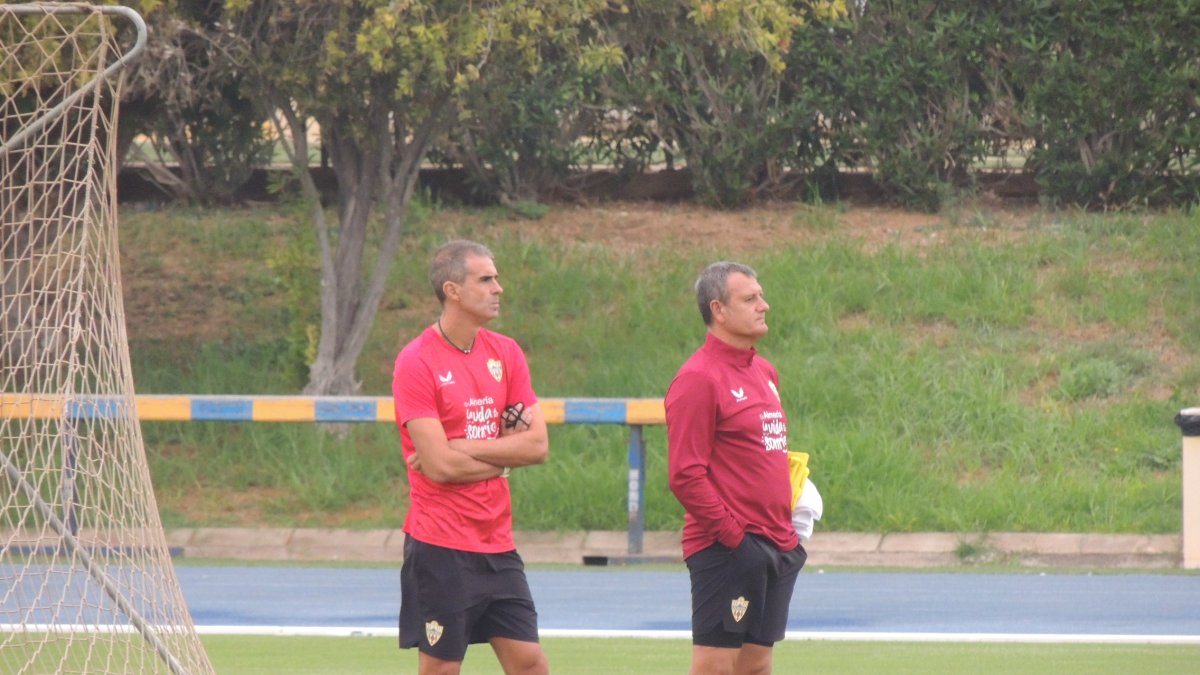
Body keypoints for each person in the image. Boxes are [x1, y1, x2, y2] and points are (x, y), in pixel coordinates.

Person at [392, 239, 550, 675]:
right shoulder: (416, 361)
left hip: (497, 542)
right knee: (442, 668)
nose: (498, 287)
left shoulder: (506, 353)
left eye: (496, 277)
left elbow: (537, 446)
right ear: (453, 290)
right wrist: (503, 458)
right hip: (440, 544)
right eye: (486, 279)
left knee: (531, 663)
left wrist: (463, 447)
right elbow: (439, 467)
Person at [666, 261, 808, 675]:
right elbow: (685, 474)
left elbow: (761, 453)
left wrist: (792, 516)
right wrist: (735, 540)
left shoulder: (764, 371)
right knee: (715, 666)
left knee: (757, 665)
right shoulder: (698, 378)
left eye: (761, 295)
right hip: (728, 547)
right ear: (719, 310)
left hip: (777, 542)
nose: (764, 305)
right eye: (750, 299)